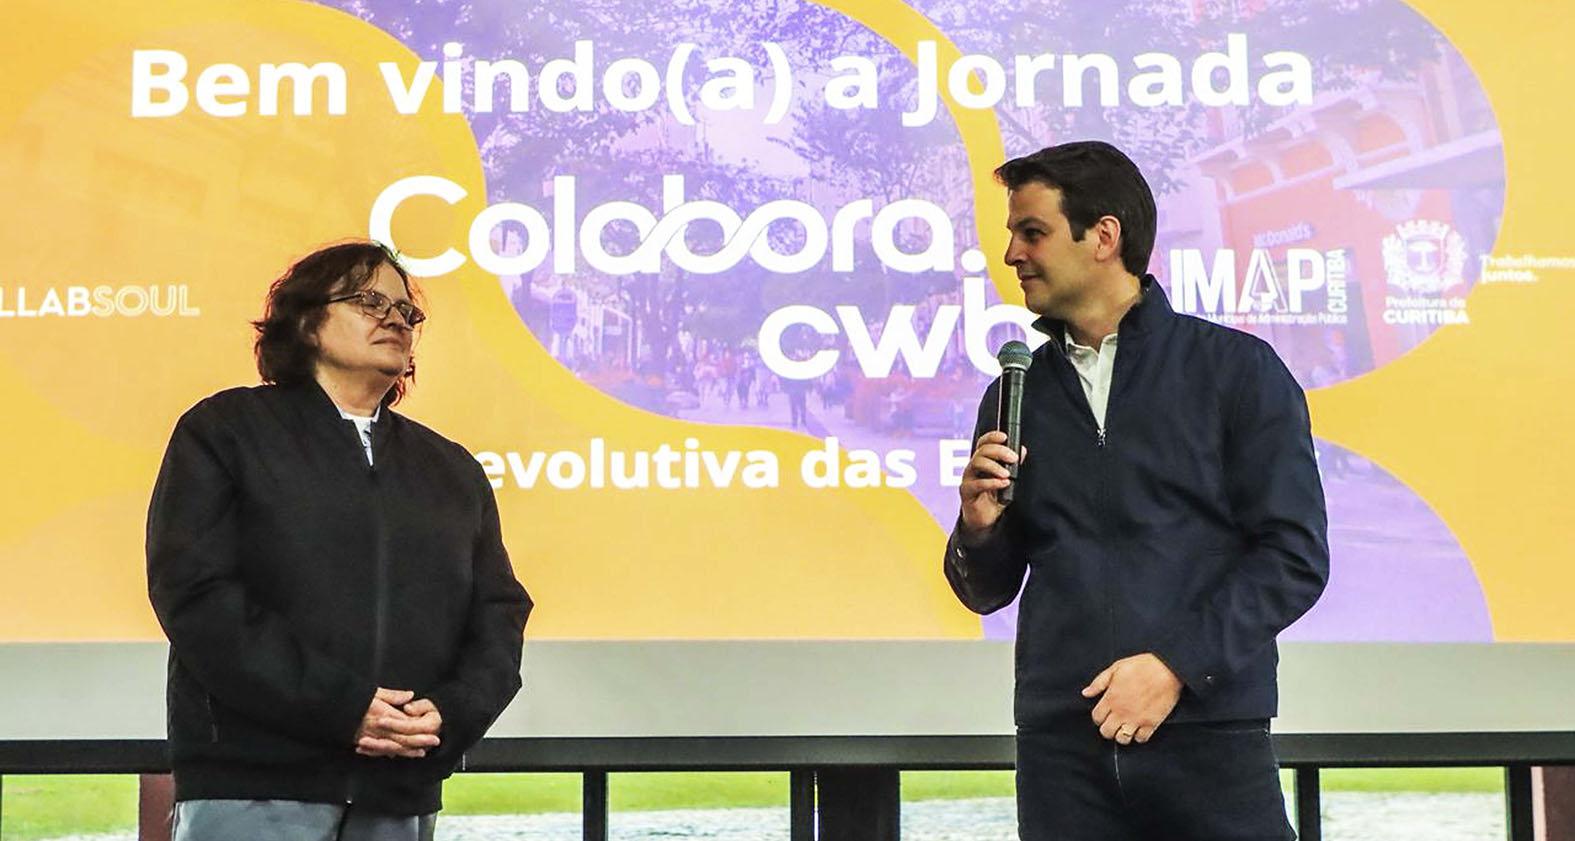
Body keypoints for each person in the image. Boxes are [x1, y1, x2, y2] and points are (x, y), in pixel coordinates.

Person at [945, 142, 1328, 840]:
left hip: (1208, 732)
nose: (1011, 254)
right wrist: (977, 528)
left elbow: (1292, 556)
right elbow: (986, 590)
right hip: (1062, 748)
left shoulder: (1235, 370)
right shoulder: (1015, 395)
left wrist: (1176, 666)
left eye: (1032, 232)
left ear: (1103, 236)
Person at [146, 241, 532, 841]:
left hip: (399, 787)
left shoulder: (450, 468)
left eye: (406, 310)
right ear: (306, 322)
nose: (395, 319)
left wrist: (448, 715)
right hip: (256, 781)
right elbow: (196, 594)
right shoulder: (226, 431)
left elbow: (498, 616)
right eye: (369, 301)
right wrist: (342, 707)